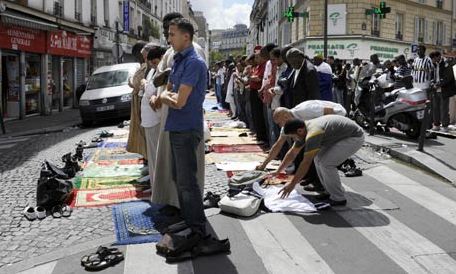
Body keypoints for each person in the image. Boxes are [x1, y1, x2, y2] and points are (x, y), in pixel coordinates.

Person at [149, 12, 206, 208]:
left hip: (185, 119)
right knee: (177, 172)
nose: (168, 37)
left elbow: (181, 97)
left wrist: (163, 95)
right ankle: (179, 205)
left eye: (171, 32)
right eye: (167, 32)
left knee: (187, 176)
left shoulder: (192, 55)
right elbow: (163, 80)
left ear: (185, 35)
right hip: (172, 118)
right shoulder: (175, 53)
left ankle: (193, 218)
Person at [257, 100, 346, 191]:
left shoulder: (305, 110)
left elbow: (329, 112)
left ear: (286, 117)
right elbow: (278, 145)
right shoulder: (288, 124)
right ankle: (314, 178)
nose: (280, 126)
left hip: (338, 116)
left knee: (320, 157)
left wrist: (325, 136)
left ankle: (325, 186)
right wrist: (264, 164)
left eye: (280, 123)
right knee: (308, 152)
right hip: (320, 126)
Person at [277, 116, 365, 206]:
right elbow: (292, 153)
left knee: (326, 164)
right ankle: (328, 191)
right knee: (318, 159)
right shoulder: (303, 131)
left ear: (299, 131)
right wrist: (278, 171)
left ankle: (338, 198)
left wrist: (292, 184)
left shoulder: (313, 133)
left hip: (354, 137)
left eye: (293, 137)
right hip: (339, 137)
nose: (293, 139)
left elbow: (306, 162)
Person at [141, 45, 167, 186]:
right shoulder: (153, 71)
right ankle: (156, 184)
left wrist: (145, 85)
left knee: (157, 155)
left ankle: (159, 185)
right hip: (150, 119)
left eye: (155, 62)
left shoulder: (161, 71)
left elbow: (151, 91)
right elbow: (148, 92)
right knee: (153, 155)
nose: (153, 65)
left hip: (155, 118)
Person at [127, 41, 148, 160]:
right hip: (138, 101)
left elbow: (136, 83)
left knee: (143, 129)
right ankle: (145, 153)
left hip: (141, 102)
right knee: (140, 130)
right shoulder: (142, 66)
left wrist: (130, 80)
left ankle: (147, 155)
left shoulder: (146, 66)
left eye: (137, 54)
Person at [430, 51, 455, 132]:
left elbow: (448, 78)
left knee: (444, 109)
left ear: (438, 57)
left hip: (444, 90)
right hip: (435, 90)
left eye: (434, 58)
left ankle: (445, 126)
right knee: (435, 108)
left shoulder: (446, 64)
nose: (433, 60)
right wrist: (432, 83)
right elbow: (431, 76)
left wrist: (438, 84)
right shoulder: (433, 65)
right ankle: (436, 124)